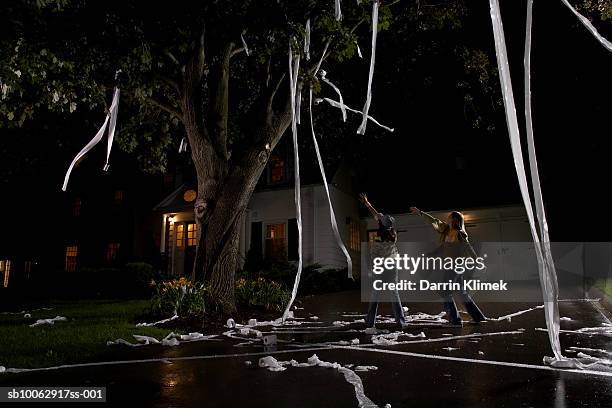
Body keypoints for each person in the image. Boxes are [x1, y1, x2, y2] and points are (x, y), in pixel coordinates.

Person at [410, 207, 487, 326]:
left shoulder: (460, 234)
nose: (448, 220)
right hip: (450, 266)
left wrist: (477, 260)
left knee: (445, 292)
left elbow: (468, 247)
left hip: (456, 266)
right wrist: (420, 213)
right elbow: (434, 221)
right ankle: (478, 317)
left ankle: (455, 320)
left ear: (455, 221)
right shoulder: (446, 231)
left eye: (450, 218)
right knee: (461, 293)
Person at [360, 193, 406, 331]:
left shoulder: (382, 236)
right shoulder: (392, 232)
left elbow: (375, 256)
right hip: (392, 266)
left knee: (375, 294)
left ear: (382, 223)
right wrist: (367, 204)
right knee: (394, 293)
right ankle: (401, 322)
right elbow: (378, 214)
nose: (379, 217)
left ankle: (370, 323)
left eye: (381, 218)